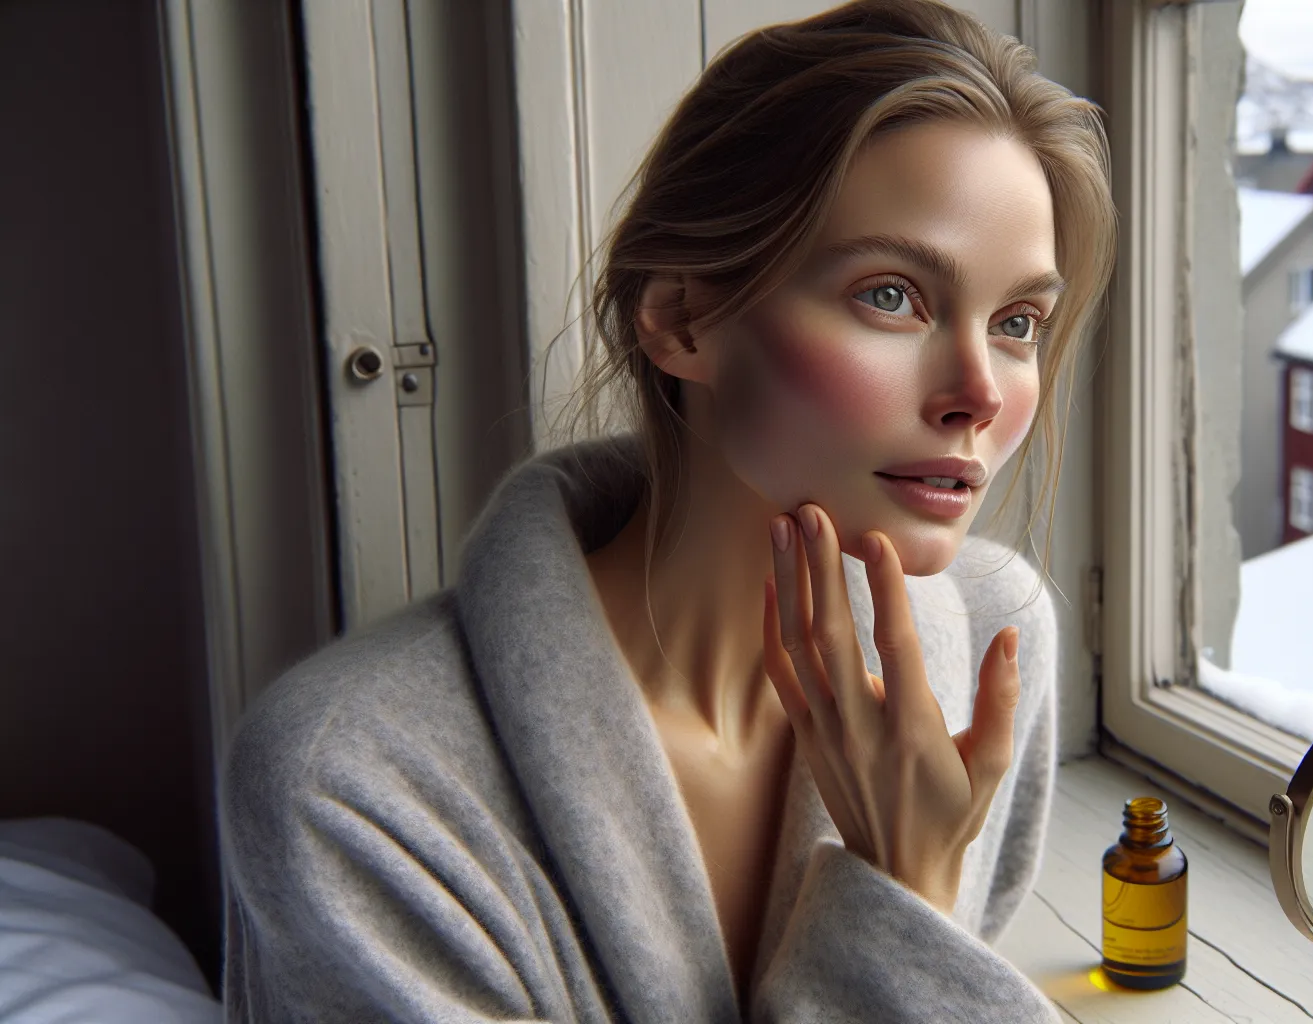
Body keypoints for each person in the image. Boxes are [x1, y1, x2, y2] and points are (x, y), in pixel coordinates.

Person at [219, 0, 1116, 1019]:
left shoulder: (1001, 643)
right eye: (891, 295)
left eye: (1016, 322)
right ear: (681, 319)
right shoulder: (351, 784)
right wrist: (902, 897)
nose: (979, 391)